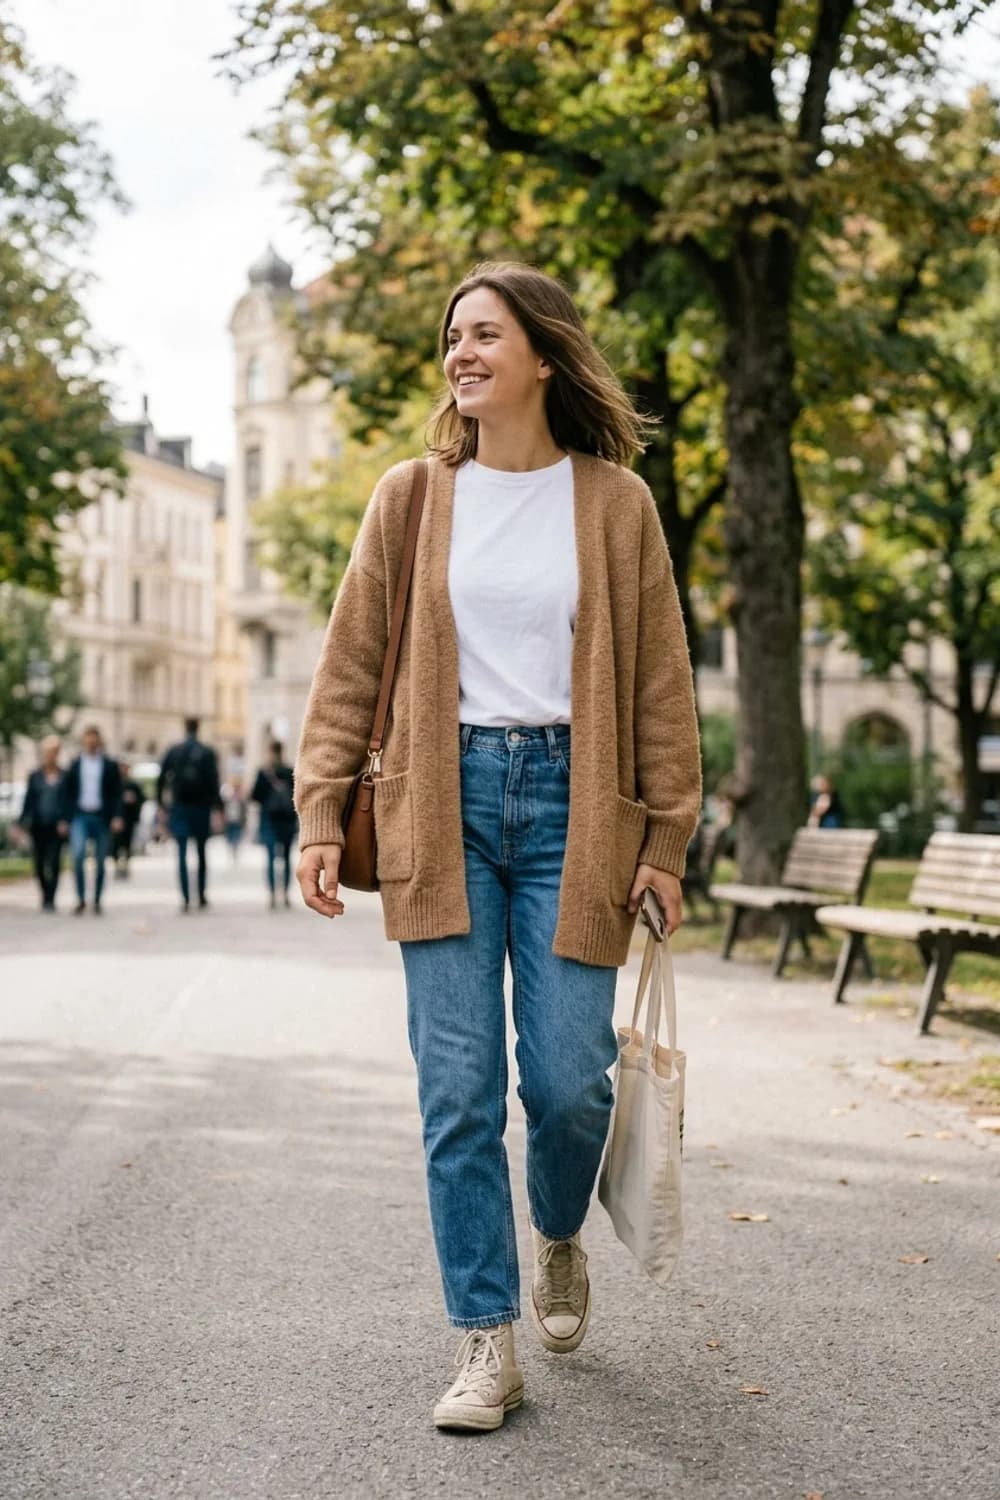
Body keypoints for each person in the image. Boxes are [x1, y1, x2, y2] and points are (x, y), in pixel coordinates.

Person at [294, 261, 701, 1431]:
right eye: (452, 338)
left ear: (541, 353)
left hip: (576, 810)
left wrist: (664, 837)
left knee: (570, 1083)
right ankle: (484, 1339)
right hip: (443, 802)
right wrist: (323, 811)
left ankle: (558, 1233)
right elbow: (351, 664)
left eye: (485, 334)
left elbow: (661, 684)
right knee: (458, 1091)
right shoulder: (411, 497)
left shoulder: (614, 502)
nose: (462, 353)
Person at [157, 717, 221, 912]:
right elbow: (213, 782)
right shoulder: (207, 752)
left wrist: (161, 805)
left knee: (182, 853)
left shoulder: (175, 751)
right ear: (198, 728)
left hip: (180, 807)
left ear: (185, 728)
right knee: (201, 853)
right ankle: (200, 894)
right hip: (201, 808)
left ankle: (185, 897)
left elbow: (162, 778)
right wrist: (218, 808)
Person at [58, 726, 124, 915]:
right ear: (84, 741)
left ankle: (96, 899)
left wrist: (117, 816)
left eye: (94, 740)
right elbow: (67, 794)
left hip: (101, 816)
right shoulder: (76, 764)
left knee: (100, 860)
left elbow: (116, 794)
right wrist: (64, 818)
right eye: (88, 740)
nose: (91, 743)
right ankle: (80, 898)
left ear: (99, 741)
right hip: (80, 816)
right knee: (78, 856)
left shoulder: (109, 765)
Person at [17, 735, 67, 911]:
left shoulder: (64, 776)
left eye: (54, 752)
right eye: (48, 752)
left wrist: (65, 820)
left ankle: (51, 899)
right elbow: (28, 800)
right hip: (38, 825)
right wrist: (21, 822)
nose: (51, 755)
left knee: (54, 862)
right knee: (39, 864)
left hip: (57, 826)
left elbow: (67, 801)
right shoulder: (35, 776)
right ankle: (45, 894)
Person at [251, 743, 297, 908]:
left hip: (268, 819)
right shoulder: (289, 771)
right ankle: (284, 893)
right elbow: (296, 795)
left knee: (270, 858)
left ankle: (271, 894)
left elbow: (254, 796)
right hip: (287, 820)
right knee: (285, 858)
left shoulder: (263, 773)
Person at [112, 761, 145, 878]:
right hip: (116, 819)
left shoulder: (133, 784)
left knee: (127, 845)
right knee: (115, 844)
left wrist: (134, 800)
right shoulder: (114, 783)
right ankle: (117, 865)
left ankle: (126, 865)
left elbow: (142, 799)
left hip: (129, 819)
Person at [221, 777, 248, 862]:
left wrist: (244, 820)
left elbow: (244, 810)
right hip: (229, 819)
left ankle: (235, 848)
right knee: (230, 835)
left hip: (237, 820)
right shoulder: (228, 796)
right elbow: (224, 807)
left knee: (236, 835)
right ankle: (231, 848)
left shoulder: (241, 798)